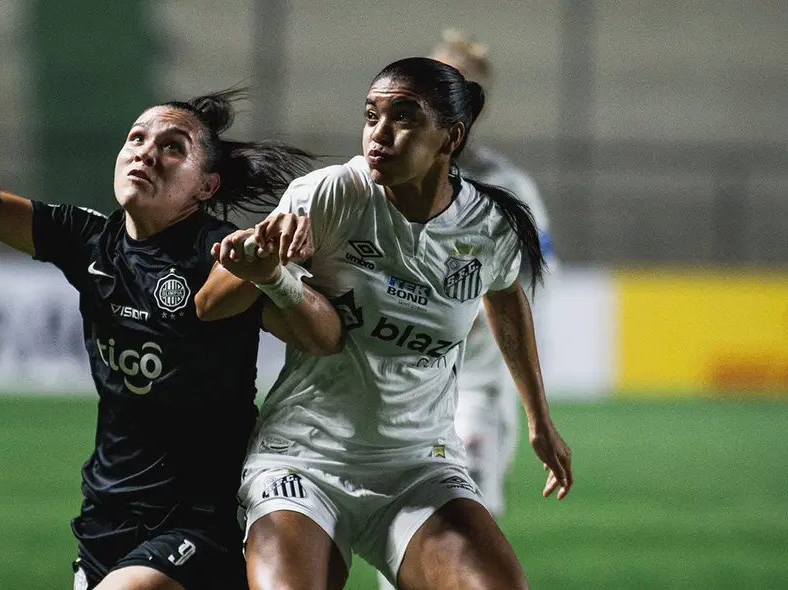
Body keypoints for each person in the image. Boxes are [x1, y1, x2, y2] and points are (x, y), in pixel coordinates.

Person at [0, 71, 343, 590]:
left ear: (206, 186)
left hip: (200, 520)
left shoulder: (226, 255)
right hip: (105, 516)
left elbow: (321, 334)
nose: (145, 153)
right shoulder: (91, 240)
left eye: (172, 148)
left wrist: (275, 277)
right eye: (136, 138)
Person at [196, 57, 573, 590]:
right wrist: (261, 260)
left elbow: (507, 297)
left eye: (404, 118)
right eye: (372, 116)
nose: (379, 133)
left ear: (450, 138)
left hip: (418, 465)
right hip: (304, 460)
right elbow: (210, 304)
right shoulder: (330, 195)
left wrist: (539, 420)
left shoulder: (491, 225)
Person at [429, 31, 558, 522]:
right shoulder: (381, 176)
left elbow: (540, 273)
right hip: (398, 382)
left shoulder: (506, 185)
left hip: (476, 382)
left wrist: (487, 309)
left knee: (466, 515)